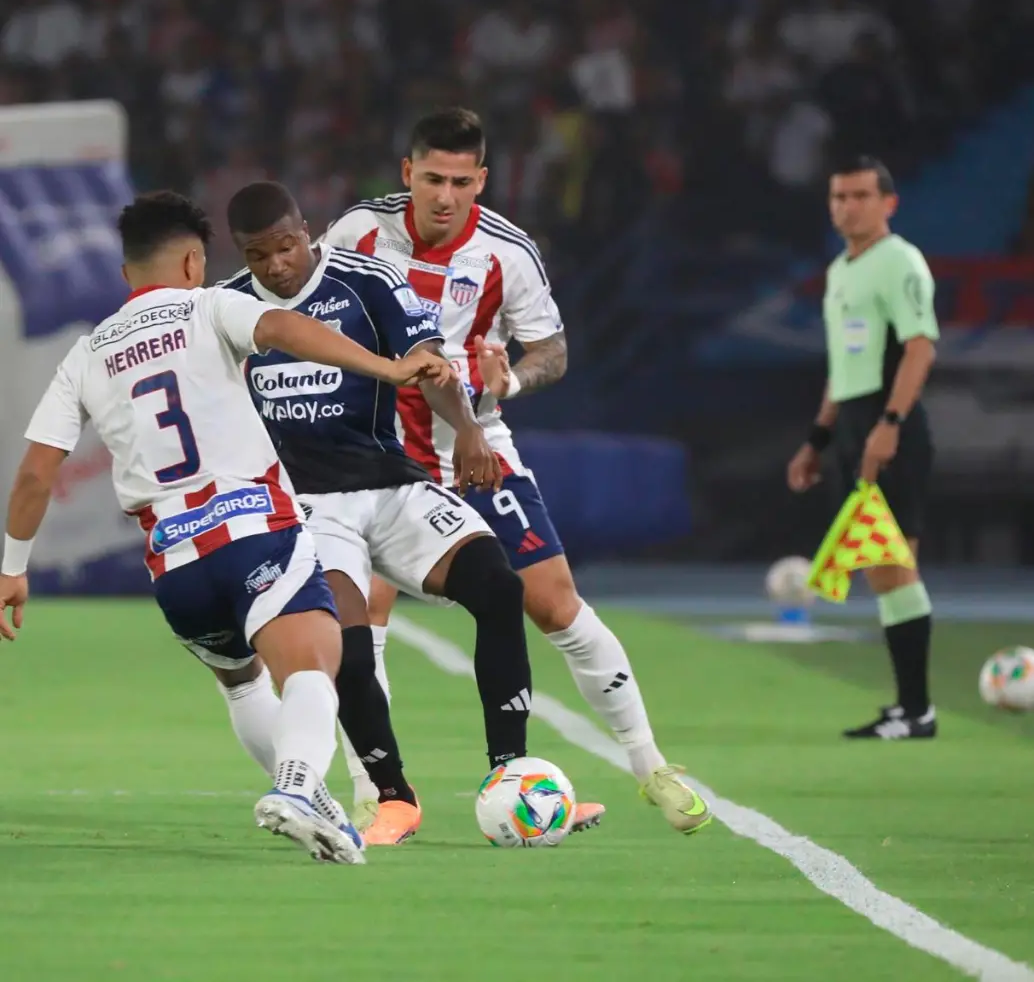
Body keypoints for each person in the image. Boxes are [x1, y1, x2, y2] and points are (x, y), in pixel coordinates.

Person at [0, 191, 451, 864]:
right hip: (252, 529)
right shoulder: (211, 304)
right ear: (192, 261)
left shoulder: (87, 354)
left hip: (175, 566)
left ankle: (315, 803)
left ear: (127, 275)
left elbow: (36, 474)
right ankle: (298, 789)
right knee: (314, 666)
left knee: (242, 683)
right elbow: (283, 331)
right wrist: (386, 366)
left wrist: (12, 567)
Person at [323, 107, 713, 835]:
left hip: (480, 451)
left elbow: (551, 350)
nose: (445, 196)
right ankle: (373, 794)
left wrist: (511, 383)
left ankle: (648, 765)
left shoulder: (507, 251)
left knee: (555, 603)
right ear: (407, 173)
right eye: (432, 178)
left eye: (461, 182)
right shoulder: (356, 235)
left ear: (482, 180)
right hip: (377, 456)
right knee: (362, 611)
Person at [220, 180, 604, 842]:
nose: (277, 265)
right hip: (308, 508)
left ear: (305, 231)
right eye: (260, 255)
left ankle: (509, 769)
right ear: (242, 254)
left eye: (286, 247)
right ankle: (394, 795)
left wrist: (472, 429)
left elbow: (429, 367)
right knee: (347, 645)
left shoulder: (367, 281)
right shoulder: (227, 309)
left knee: (498, 584)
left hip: (392, 486)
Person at [787, 156, 939, 739]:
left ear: (888, 203)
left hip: (887, 421)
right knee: (882, 570)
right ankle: (908, 708)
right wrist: (817, 439)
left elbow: (920, 348)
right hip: (854, 422)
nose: (846, 206)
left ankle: (917, 709)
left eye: (859, 195)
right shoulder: (842, 270)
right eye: (838, 196)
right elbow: (842, 366)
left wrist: (891, 423)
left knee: (895, 567)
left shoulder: (899, 262)